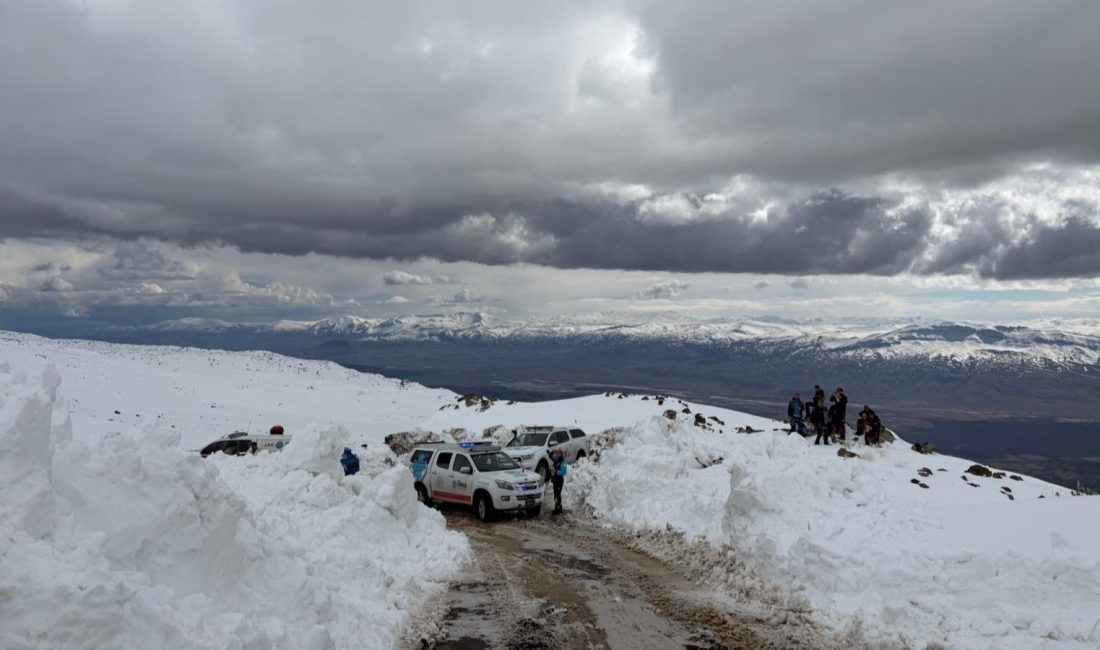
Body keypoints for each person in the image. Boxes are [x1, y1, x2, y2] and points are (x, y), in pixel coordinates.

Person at [550, 449, 568, 515]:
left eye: (559, 453)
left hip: (559, 480)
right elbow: (550, 455)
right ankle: (557, 507)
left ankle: (558, 508)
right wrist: (553, 451)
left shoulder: (563, 462)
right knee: (555, 494)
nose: (557, 454)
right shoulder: (556, 460)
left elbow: (564, 472)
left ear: (561, 454)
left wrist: (556, 472)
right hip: (555, 480)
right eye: (557, 453)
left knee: (558, 494)